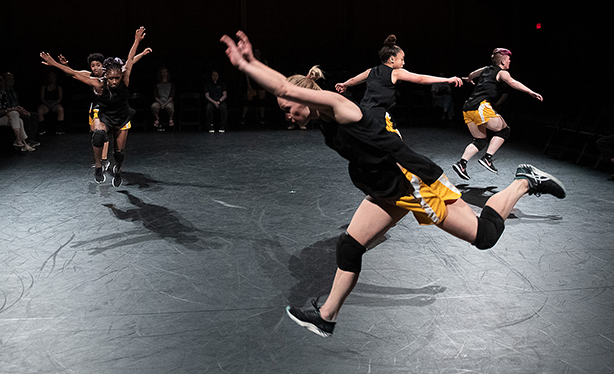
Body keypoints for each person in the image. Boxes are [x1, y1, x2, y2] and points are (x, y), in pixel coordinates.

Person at [221, 31, 566, 338]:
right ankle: (326, 316)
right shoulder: (324, 117)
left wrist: (247, 64)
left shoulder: (339, 106)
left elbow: (283, 85)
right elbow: (286, 89)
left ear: (304, 97)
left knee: (483, 236)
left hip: (411, 182)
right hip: (384, 187)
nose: (287, 113)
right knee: (349, 246)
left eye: (288, 108)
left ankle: (524, 181)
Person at [40, 26, 149, 186]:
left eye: (116, 78)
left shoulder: (125, 79)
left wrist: (136, 41)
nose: (113, 81)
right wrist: (55, 64)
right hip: (105, 115)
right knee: (98, 135)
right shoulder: (98, 84)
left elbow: (130, 58)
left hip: (122, 116)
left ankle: (117, 169)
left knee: (119, 153)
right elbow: (75, 74)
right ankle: (98, 166)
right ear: (106, 76)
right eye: (111, 78)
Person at [335, 35, 462, 131]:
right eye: (402, 59)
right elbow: (420, 79)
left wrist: (344, 84)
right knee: (395, 147)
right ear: (391, 59)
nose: (403, 63)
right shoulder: (396, 72)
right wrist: (447, 79)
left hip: (364, 112)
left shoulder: (370, 71)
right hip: (378, 116)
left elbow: (353, 80)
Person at [452, 48, 543, 181]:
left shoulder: (485, 69)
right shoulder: (502, 73)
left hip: (467, 108)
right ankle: (487, 158)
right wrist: (530, 92)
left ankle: (461, 164)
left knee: (480, 141)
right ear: (502, 60)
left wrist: (468, 79)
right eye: (508, 59)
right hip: (480, 106)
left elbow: (471, 74)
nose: (510, 61)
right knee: (504, 130)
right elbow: (512, 82)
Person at [0, 73, 35, 152]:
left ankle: (20, 141)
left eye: (0, 81)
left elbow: (6, 107)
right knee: (17, 118)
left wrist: (11, 110)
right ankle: (23, 142)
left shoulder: (2, 94)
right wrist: (12, 109)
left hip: (4, 116)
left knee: (16, 116)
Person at [3, 71, 40, 146]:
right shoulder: (3, 92)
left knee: (34, 115)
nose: (12, 81)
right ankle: (26, 140)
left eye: (13, 79)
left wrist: (23, 110)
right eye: (9, 79)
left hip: (17, 109)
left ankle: (31, 139)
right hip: (10, 112)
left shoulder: (12, 90)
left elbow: (17, 103)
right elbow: (6, 106)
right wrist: (19, 110)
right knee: (26, 118)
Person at [240, 48, 268, 125]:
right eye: (255, 52)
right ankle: (243, 117)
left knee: (262, 101)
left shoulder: (264, 62)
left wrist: (266, 84)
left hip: (261, 84)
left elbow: (267, 74)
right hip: (252, 84)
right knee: (248, 101)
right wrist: (249, 85)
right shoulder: (250, 62)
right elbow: (247, 74)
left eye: (258, 52)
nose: (257, 54)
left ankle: (262, 118)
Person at [151, 66, 175, 131]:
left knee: (170, 107)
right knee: (154, 106)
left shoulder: (171, 84)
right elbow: (156, 96)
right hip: (159, 101)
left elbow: (171, 96)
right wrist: (161, 103)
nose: (164, 74)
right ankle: (157, 118)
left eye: (165, 72)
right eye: (163, 72)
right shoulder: (157, 84)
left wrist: (165, 104)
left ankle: (170, 118)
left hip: (168, 101)